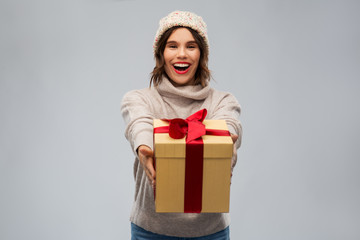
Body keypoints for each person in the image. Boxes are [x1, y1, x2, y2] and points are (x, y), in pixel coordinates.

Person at [121, 10, 242, 239]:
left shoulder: (222, 101)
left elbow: (230, 125)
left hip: (210, 232)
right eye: (173, 46)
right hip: (150, 230)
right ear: (161, 54)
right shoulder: (139, 99)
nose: (182, 54)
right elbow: (139, 123)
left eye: (191, 46)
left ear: (202, 54)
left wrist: (228, 146)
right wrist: (145, 149)